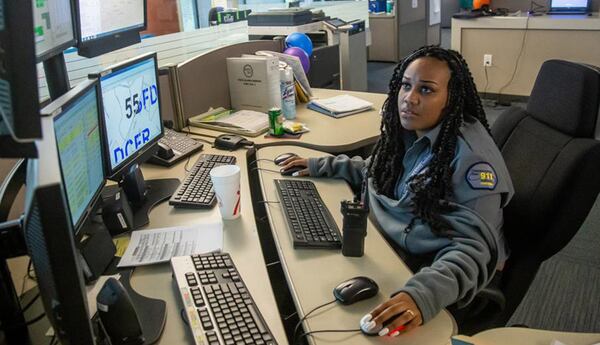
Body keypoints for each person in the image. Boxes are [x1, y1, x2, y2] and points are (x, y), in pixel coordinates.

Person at [279, 45, 514, 336]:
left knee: (328, 319)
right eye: (405, 85)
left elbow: (472, 249)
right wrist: (323, 165)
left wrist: (420, 296)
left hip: (433, 274)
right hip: (393, 247)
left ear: (451, 98)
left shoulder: (471, 161)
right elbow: (378, 170)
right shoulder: (415, 130)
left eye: (426, 90)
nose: (409, 98)